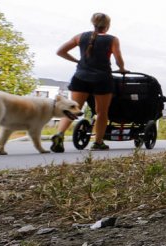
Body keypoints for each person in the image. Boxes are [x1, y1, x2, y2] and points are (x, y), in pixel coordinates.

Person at [51, 13, 128, 151]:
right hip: (102, 80)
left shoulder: (80, 37)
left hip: (80, 78)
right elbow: (118, 59)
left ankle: (59, 135)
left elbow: (60, 51)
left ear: (93, 23)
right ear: (108, 26)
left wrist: (77, 61)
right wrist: (122, 68)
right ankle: (98, 143)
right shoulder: (113, 40)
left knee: (72, 109)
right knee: (102, 112)